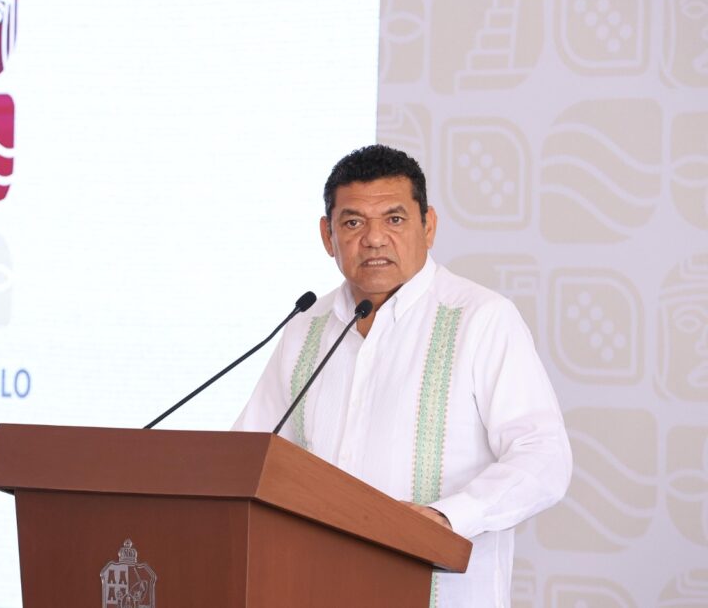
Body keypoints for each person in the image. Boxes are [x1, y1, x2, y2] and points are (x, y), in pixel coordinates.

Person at [233, 145, 572, 607]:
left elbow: (544, 457)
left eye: (394, 219)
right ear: (327, 235)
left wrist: (447, 517)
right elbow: (249, 459)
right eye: (353, 222)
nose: (373, 238)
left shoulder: (480, 318)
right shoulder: (305, 330)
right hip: (314, 588)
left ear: (427, 226)